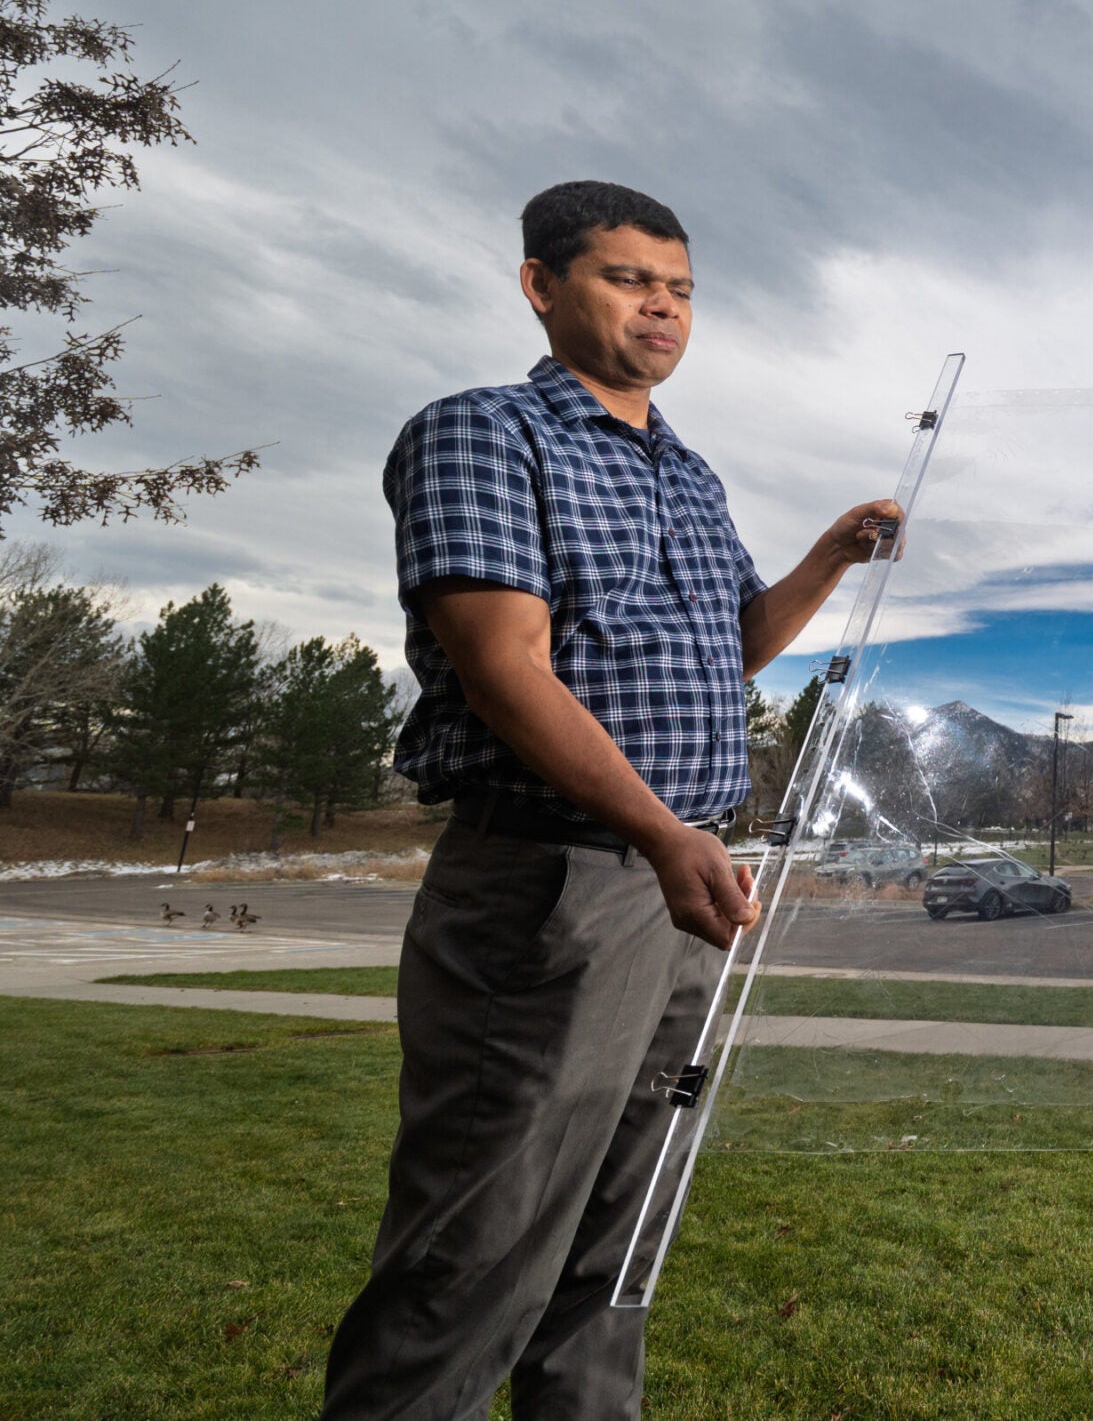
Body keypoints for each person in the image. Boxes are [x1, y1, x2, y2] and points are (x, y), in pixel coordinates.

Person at [324, 180, 901, 1420]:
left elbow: (728, 650)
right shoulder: (481, 434)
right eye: (629, 279)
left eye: (680, 289)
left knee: (619, 1242)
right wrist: (657, 831)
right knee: (477, 1244)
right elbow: (504, 669)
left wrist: (826, 559)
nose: (662, 308)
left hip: (687, 885)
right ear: (541, 286)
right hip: (552, 885)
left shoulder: (688, 474)